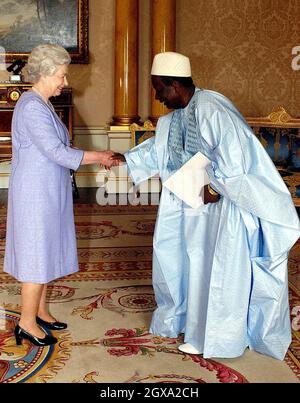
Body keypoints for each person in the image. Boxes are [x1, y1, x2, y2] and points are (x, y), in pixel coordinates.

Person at [111, 51, 300, 360]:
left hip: (219, 209)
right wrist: (126, 159)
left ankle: (215, 337)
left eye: (159, 89)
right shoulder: (173, 117)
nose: (157, 97)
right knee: (176, 260)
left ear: (174, 84)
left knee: (211, 270)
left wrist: (214, 187)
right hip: (184, 203)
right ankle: (185, 320)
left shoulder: (212, 108)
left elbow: (236, 158)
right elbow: (159, 151)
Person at [4, 44, 117, 347]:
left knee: (46, 249)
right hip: (35, 194)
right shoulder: (30, 106)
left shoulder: (41, 103)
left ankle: (39, 311)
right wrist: (100, 156)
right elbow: (57, 152)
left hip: (47, 189)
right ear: (45, 73)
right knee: (35, 254)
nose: (65, 83)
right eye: (62, 76)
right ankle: (26, 323)